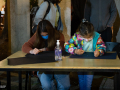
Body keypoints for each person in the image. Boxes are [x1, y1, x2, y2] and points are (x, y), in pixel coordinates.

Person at [22, 20, 70, 90]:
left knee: (65, 86)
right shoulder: (37, 35)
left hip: (58, 64)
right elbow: (25, 46)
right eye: (42, 35)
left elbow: (60, 49)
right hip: (42, 65)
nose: (44, 36)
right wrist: (31, 51)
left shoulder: (59, 35)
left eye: (46, 34)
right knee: (47, 86)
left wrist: (43, 50)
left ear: (50, 32)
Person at [64, 19, 106, 90]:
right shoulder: (77, 36)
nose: (88, 39)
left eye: (89, 37)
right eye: (85, 38)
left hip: (91, 63)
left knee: (88, 84)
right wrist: (75, 50)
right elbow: (66, 45)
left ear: (92, 32)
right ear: (80, 33)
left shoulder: (97, 36)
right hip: (79, 62)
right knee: (81, 80)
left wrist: (99, 51)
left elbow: (102, 46)